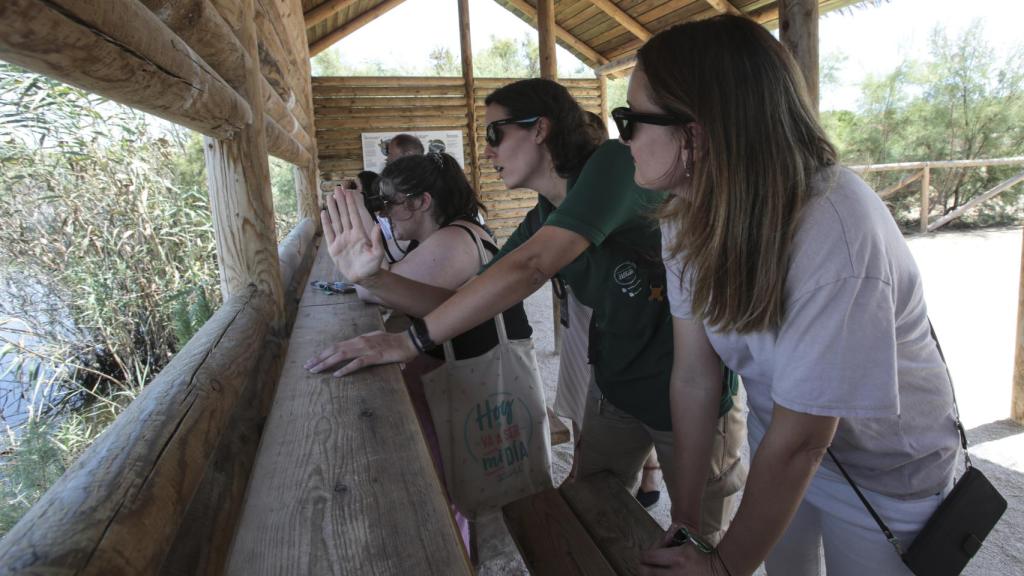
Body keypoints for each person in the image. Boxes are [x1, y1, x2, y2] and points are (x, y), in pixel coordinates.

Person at [305, 78, 747, 544]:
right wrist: (374, 279)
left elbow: (531, 268)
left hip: (691, 389)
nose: (487, 151)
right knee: (590, 511)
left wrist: (408, 341)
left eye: (495, 133)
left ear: (540, 129)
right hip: (616, 387)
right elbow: (477, 299)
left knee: (701, 539)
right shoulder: (545, 217)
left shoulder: (615, 164)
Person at [625, 16, 960, 576]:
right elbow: (695, 375)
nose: (623, 137)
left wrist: (723, 568)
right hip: (778, 439)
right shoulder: (687, 212)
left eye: (631, 119)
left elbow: (806, 441)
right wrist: (686, 517)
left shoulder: (835, 228)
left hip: (884, 473)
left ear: (696, 134)